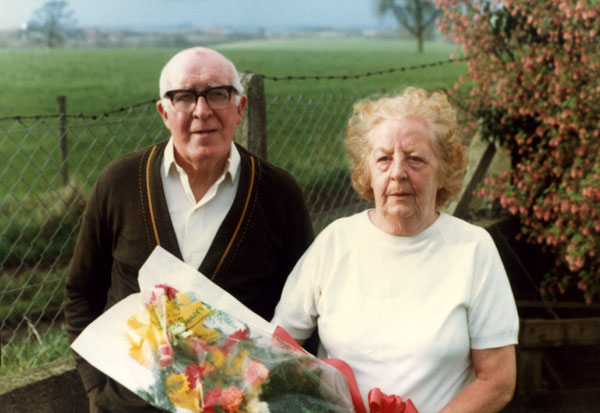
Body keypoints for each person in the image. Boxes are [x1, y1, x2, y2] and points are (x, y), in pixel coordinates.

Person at [64, 47, 314, 413]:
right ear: (164, 112)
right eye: (184, 97)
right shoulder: (118, 184)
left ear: (239, 107)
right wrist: (97, 390)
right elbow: (81, 294)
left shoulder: (278, 193)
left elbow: (305, 308)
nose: (202, 111)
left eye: (218, 93)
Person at [272, 87, 519, 413]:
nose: (398, 172)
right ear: (367, 172)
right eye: (384, 158)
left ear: (443, 170)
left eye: (415, 159)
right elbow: (276, 349)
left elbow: (498, 381)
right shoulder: (335, 242)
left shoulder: (472, 248)